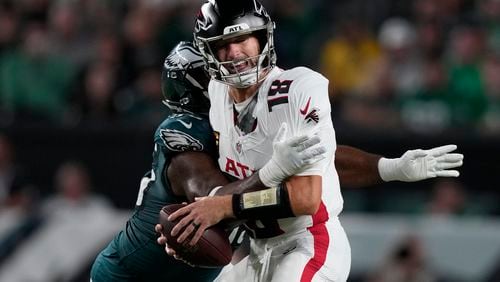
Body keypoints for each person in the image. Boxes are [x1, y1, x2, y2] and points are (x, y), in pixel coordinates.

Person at [165, 1, 463, 281]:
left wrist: (223, 206)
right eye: (222, 45)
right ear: (207, 53)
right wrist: (191, 226)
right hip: (257, 249)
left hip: (308, 243)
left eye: (243, 39)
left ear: (262, 37)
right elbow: (324, 157)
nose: (234, 53)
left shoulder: (297, 88)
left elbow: (305, 197)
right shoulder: (216, 93)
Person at [90, 41, 326, 282]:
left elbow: (316, 153)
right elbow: (214, 201)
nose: (239, 79)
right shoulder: (188, 142)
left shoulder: (245, 124)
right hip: (130, 276)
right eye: (225, 73)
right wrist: (275, 169)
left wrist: (364, 167)